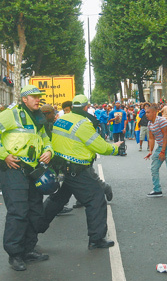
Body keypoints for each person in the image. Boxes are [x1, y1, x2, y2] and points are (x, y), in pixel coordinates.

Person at [41, 94, 121, 250]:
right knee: (96, 199)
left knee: (56, 200)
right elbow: (100, 147)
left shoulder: (63, 119)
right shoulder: (83, 124)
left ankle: (31, 230)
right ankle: (96, 240)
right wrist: (116, 147)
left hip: (61, 167)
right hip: (77, 169)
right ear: (86, 107)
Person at [0, 85, 53, 271]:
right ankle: (15, 254)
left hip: (33, 170)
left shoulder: (38, 117)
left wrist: (48, 150)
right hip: (13, 169)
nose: (38, 100)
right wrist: (3, 154)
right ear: (24, 99)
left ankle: (29, 249)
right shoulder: (10, 114)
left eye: (39, 97)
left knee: (34, 210)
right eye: (34, 97)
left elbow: (45, 138)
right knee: (18, 212)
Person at [144, 104, 167, 201]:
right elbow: (152, 138)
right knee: (154, 168)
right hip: (161, 147)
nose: (146, 114)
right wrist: (151, 151)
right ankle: (157, 190)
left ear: (154, 113)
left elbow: (166, 136)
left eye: (148, 112)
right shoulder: (150, 124)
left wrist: (163, 152)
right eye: (145, 112)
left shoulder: (162, 120)